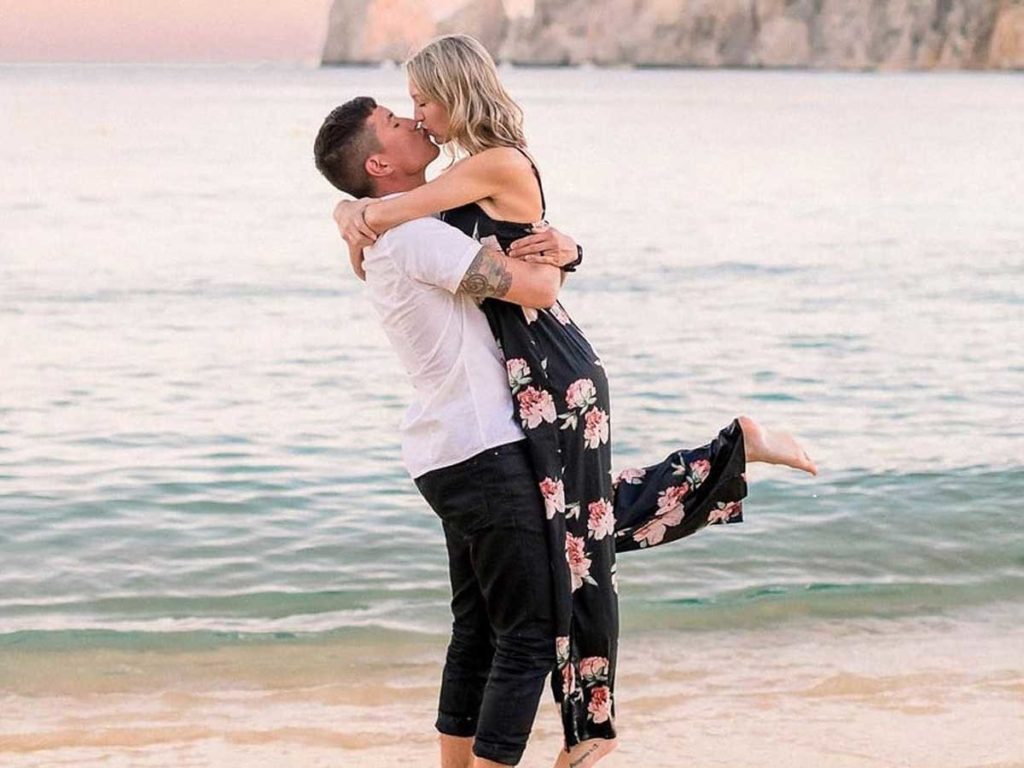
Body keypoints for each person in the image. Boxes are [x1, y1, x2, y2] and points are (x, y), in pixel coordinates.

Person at [317, 53, 815, 768]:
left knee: (521, 591)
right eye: (399, 117)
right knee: (544, 600)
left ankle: (733, 452)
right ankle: (591, 732)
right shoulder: (420, 230)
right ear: (378, 161)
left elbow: (508, 263)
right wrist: (557, 258)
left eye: (418, 102)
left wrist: (351, 211)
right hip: (492, 438)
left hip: (483, 428)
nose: (413, 116)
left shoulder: (436, 202)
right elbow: (534, 289)